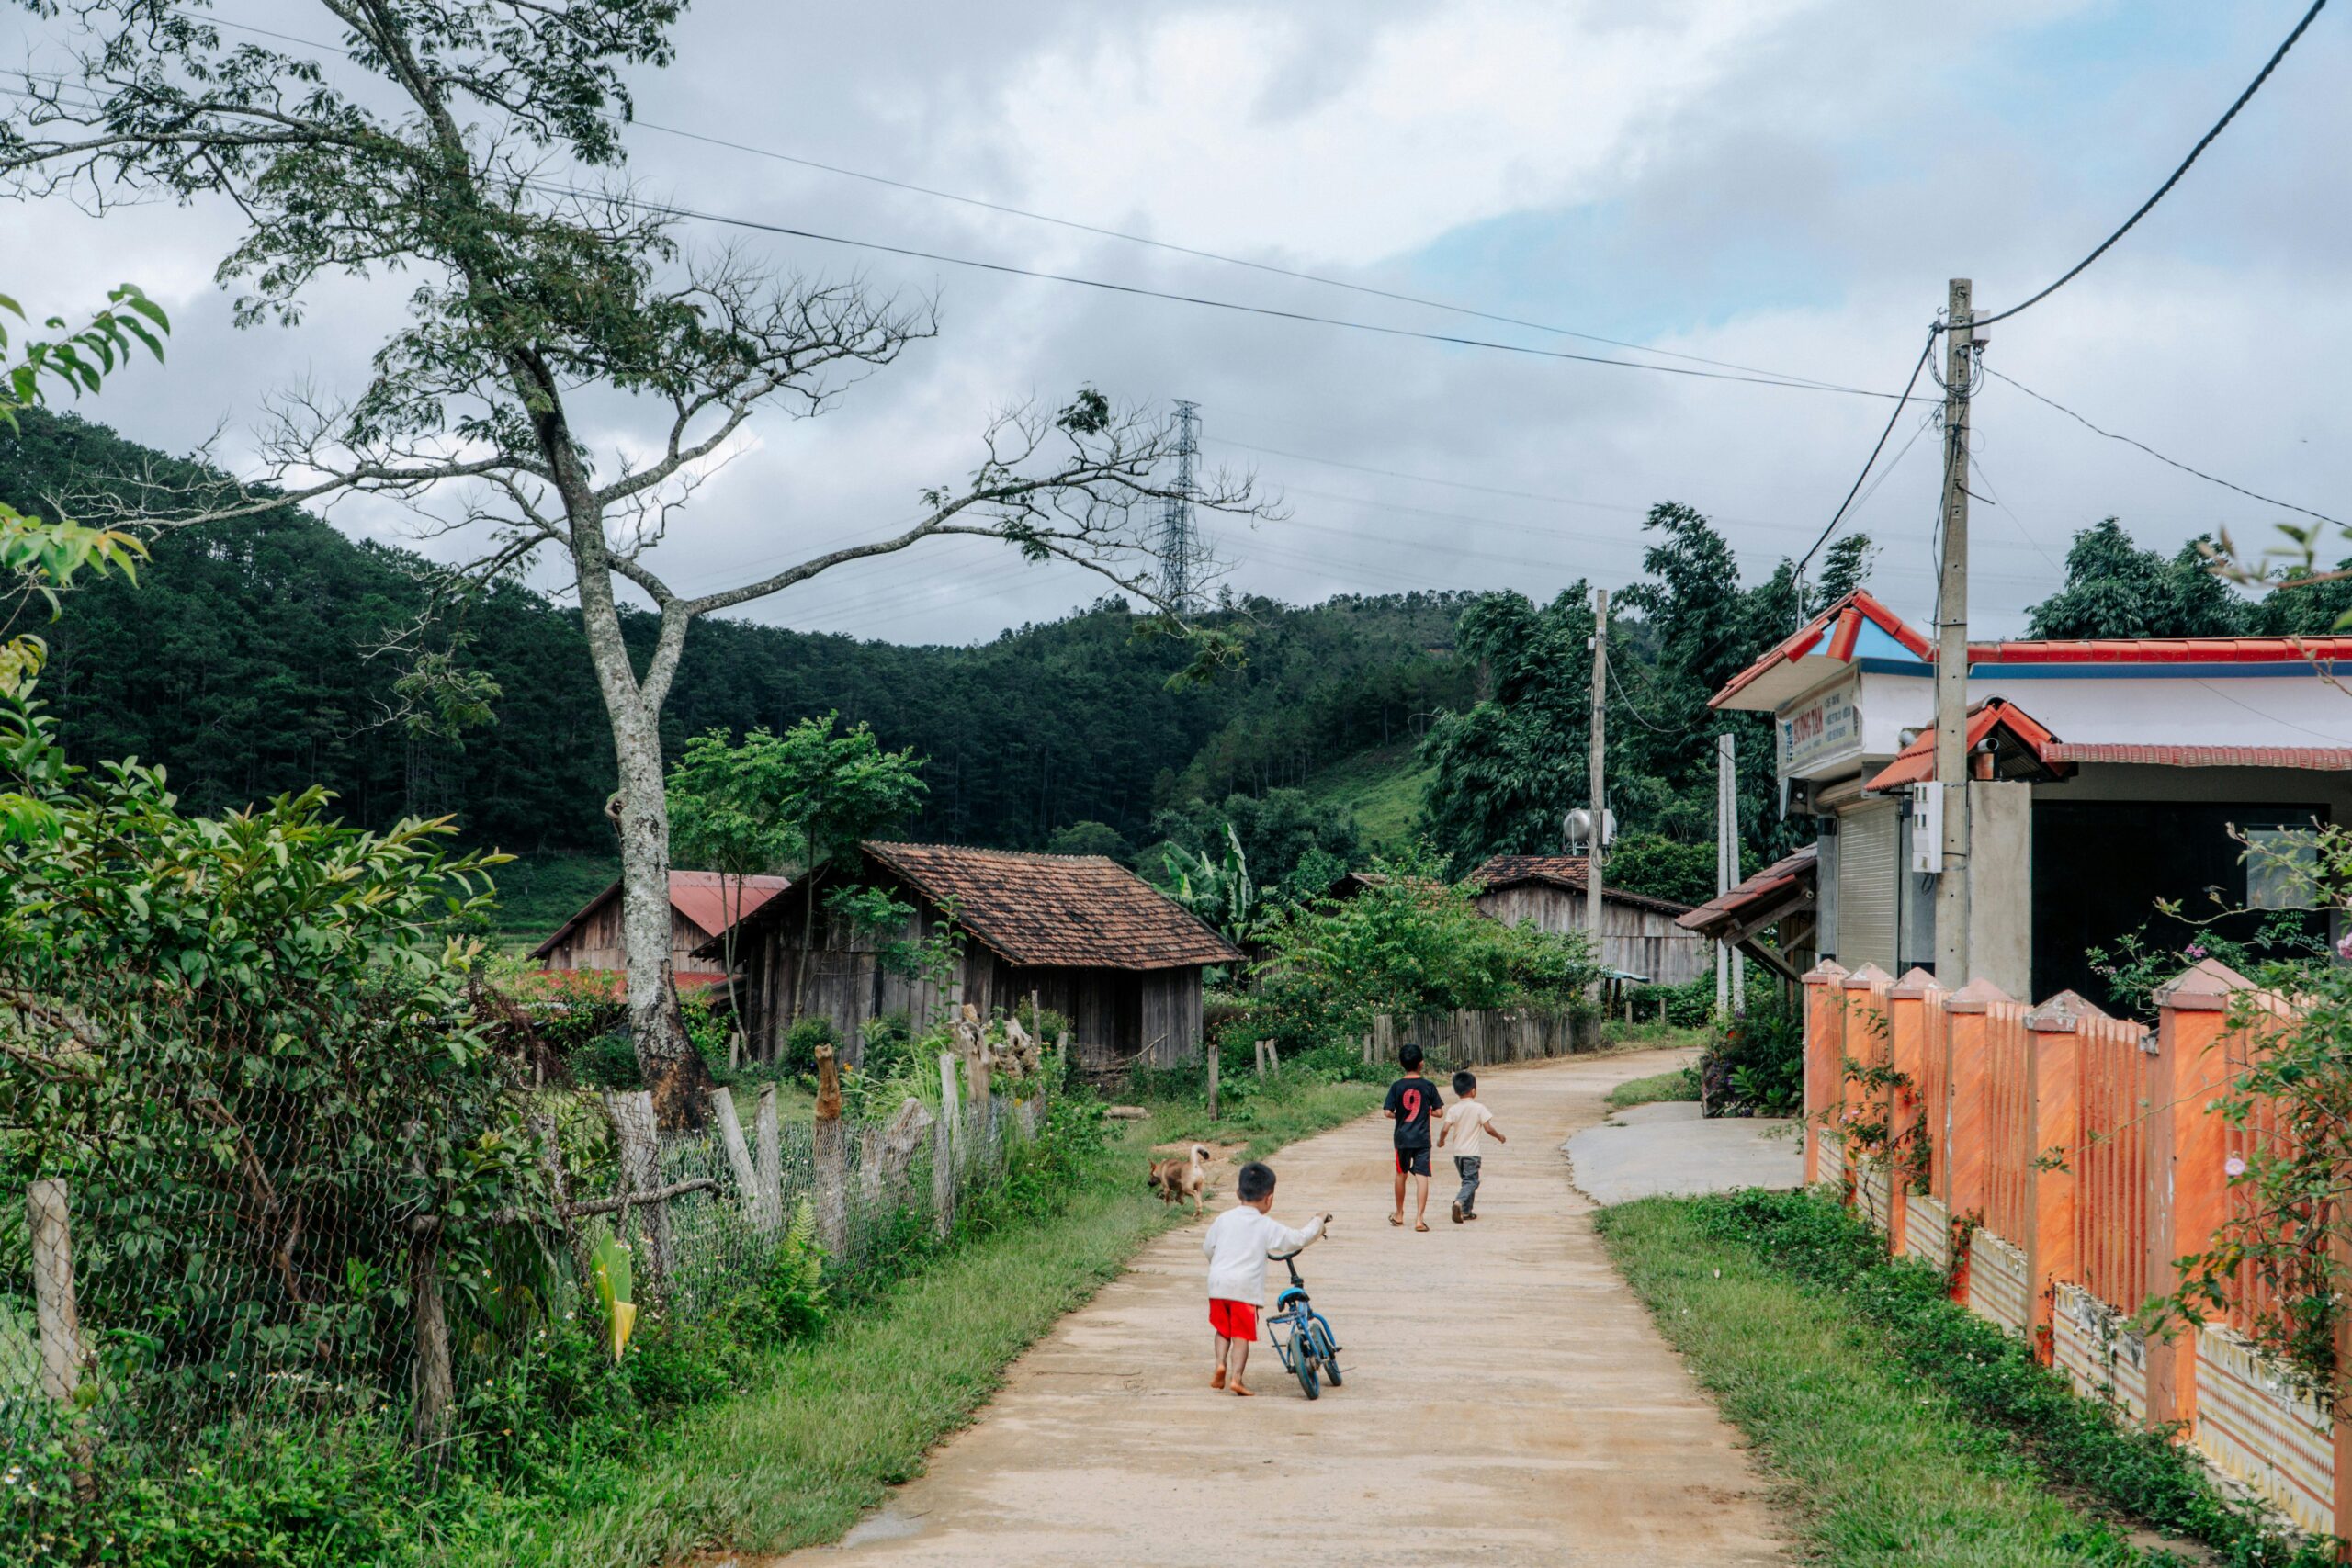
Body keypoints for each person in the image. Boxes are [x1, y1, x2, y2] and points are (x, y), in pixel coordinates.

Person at [1203, 1160, 1329, 1396]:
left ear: (1238, 1192)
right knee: (1241, 1335)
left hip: (1218, 1285)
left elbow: (1208, 1247)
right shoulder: (1265, 1225)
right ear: (1269, 1198)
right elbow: (1297, 1239)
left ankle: (1220, 1364)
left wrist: (1217, 1268)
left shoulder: (1223, 1219)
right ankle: (1237, 1378)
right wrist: (1318, 1222)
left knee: (1222, 1330)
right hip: (1244, 1289)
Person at [1383, 1044, 1443, 1231]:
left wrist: (1399, 1115)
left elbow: (1387, 1112)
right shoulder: (1428, 1086)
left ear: (1401, 1063)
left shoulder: (1396, 1086)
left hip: (1402, 1139)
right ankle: (1419, 1219)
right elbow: (1439, 1112)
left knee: (1401, 1174)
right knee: (1422, 1175)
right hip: (1422, 1139)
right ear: (1421, 1064)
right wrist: (1426, 1112)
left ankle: (1399, 1214)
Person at [1437, 1069, 1508, 1224]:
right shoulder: (1479, 1108)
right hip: (1472, 1154)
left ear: (1456, 1091)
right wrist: (1500, 1136)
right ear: (1473, 1090)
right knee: (1472, 1182)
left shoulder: (1453, 1109)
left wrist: (1441, 1141)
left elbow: (1444, 1128)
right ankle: (1459, 1202)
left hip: (1458, 1154)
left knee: (1467, 1181)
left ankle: (1467, 1212)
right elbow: (1488, 1128)